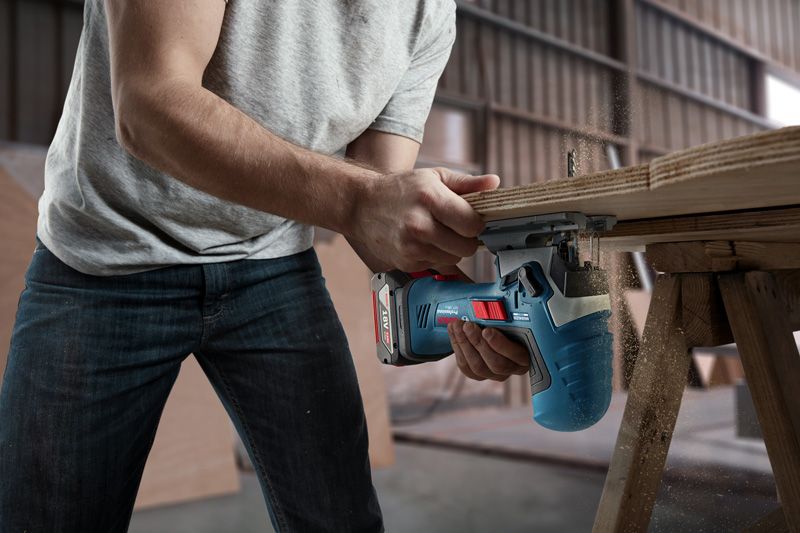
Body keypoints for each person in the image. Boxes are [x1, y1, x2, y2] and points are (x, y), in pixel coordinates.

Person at [0, 1, 529, 531]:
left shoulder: (428, 13)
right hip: (105, 257)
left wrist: (471, 309)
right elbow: (150, 104)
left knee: (339, 519)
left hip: (270, 261)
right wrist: (363, 202)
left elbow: (378, 198)